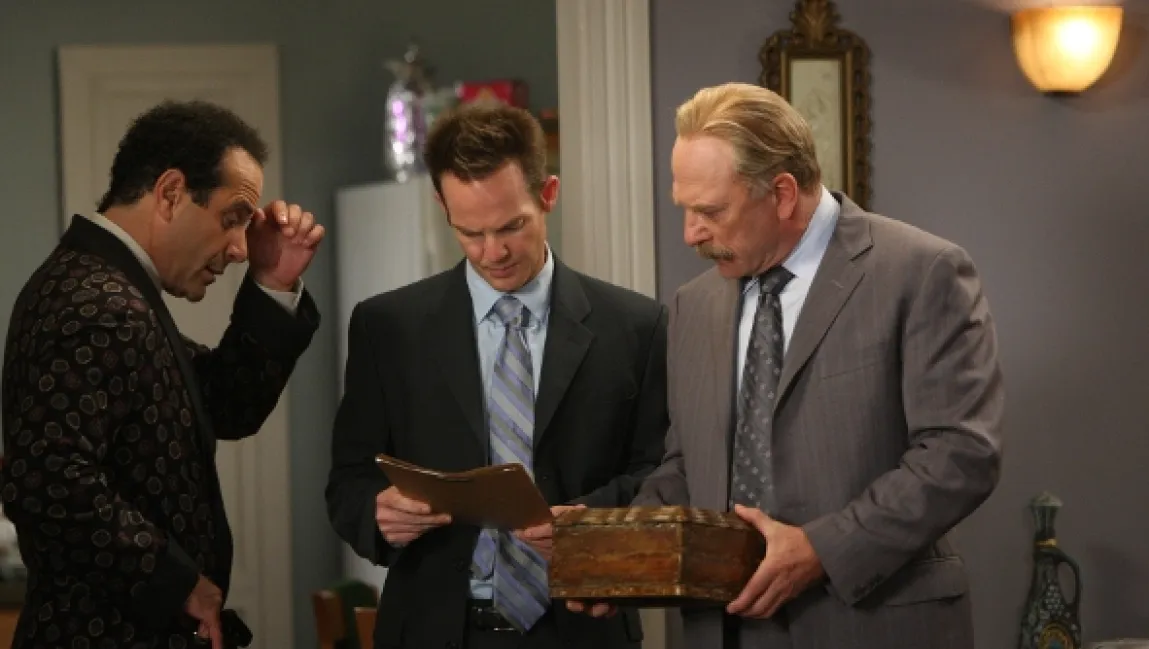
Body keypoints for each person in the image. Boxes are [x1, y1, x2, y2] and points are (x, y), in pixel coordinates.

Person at [574, 82, 1005, 648]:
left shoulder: (922, 272)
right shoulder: (692, 306)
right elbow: (687, 468)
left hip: (873, 624)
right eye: (685, 209)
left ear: (781, 193)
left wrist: (821, 549)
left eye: (710, 211)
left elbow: (960, 454)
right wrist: (614, 556)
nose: (690, 233)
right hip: (723, 627)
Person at [325, 102, 668, 649]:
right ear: (442, 207)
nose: (494, 252)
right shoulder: (386, 327)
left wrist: (587, 526)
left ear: (548, 193)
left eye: (512, 226)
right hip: (434, 629)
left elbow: (657, 472)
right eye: (470, 233)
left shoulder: (637, 326)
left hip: (581, 628)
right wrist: (376, 513)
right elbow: (348, 482)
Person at [0, 100, 323, 649]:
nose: (239, 249)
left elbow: (225, 403)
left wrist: (273, 282)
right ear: (171, 193)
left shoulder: (108, 290)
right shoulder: (98, 303)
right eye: (232, 218)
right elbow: (47, 480)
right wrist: (177, 582)